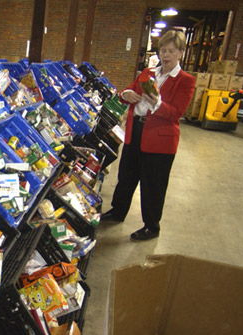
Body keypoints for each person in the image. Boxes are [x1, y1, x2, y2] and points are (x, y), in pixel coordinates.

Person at [101, 30, 195, 241]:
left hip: (160, 140)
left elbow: (177, 112)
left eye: (171, 51)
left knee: (153, 185)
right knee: (126, 176)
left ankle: (152, 226)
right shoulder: (148, 72)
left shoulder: (185, 80)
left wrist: (157, 104)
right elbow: (127, 91)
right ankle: (118, 211)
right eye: (163, 50)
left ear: (180, 52)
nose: (166, 55)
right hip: (136, 131)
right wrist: (126, 94)